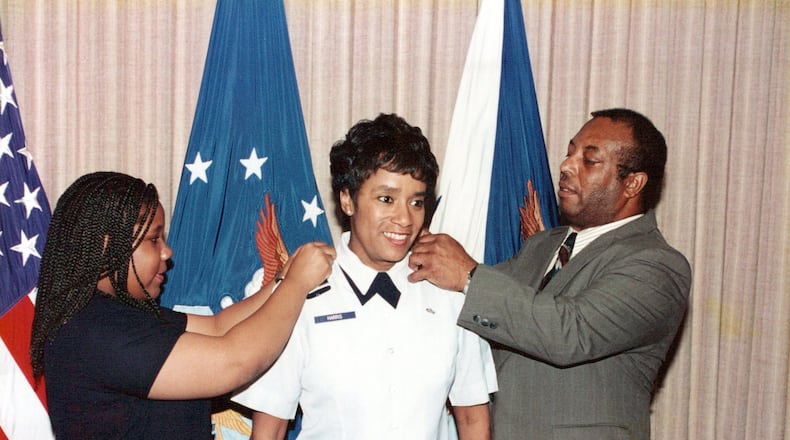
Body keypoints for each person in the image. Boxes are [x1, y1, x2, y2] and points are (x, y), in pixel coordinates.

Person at [408, 108, 691, 440]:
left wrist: (468, 275)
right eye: (570, 152)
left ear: (633, 183)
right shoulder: (545, 244)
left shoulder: (657, 265)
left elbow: (568, 332)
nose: (566, 166)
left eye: (590, 160)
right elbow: (473, 307)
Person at [232, 113, 497, 439]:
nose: (404, 219)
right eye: (386, 199)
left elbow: (472, 419)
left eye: (416, 202)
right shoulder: (302, 295)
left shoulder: (450, 294)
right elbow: (270, 430)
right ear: (347, 199)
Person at [30, 171, 335, 439]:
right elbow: (235, 362)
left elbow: (218, 327)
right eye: (153, 239)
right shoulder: (94, 330)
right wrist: (296, 285)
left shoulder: (114, 314)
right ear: (108, 245)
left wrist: (282, 278)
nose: (167, 252)